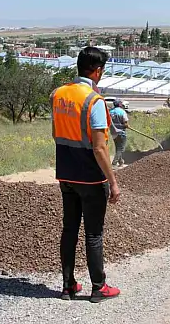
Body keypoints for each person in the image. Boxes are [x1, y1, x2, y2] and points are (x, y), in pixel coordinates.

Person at [50, 46, 121, 303]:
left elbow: (57, 131)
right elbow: (100, 147)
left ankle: (68, 285)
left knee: (69, 229)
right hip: (91, 178)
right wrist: (113, 182)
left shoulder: (57, 94)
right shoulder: (94, 101)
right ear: (98, 71)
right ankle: (99, 288)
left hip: (65, 174)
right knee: (93, 233)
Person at [109, 99, 129, 167]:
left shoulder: (110, 112)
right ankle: (114, 164)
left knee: (118, 148)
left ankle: (121, 162)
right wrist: (126, 126)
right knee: (120, 148)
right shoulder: (122, 111)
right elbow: (125, 123)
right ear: (120, 104)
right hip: (121, 132)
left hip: (113, 132)